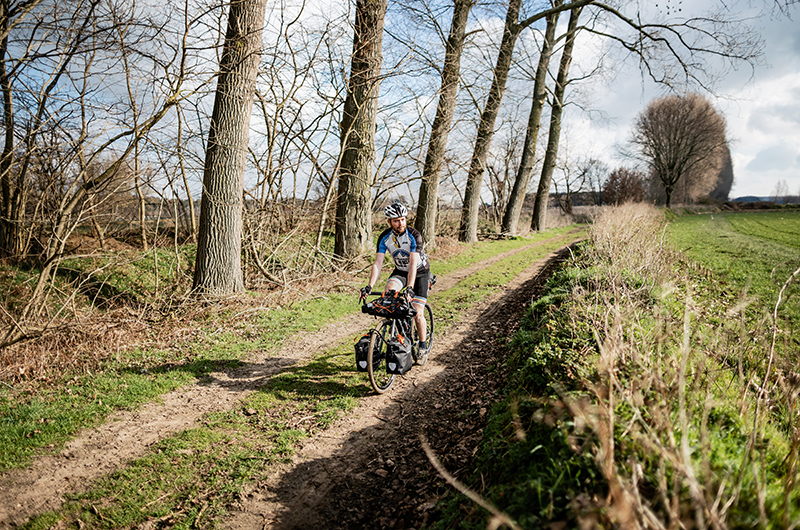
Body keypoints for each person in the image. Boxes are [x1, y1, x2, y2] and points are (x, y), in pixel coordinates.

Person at [359, 202, 431, 363]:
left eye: (403, 219)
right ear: (389, 222)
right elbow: (378, 263)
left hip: (420, 272)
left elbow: (413, 263)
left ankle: (422, 345)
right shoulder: (385, 238)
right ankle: (401, 332)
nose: (401, 223)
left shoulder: (414, 235)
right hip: (400, 271)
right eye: (397, 220)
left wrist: (410, 288)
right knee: (389, 291)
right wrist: (369, 286)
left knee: (417, 313)